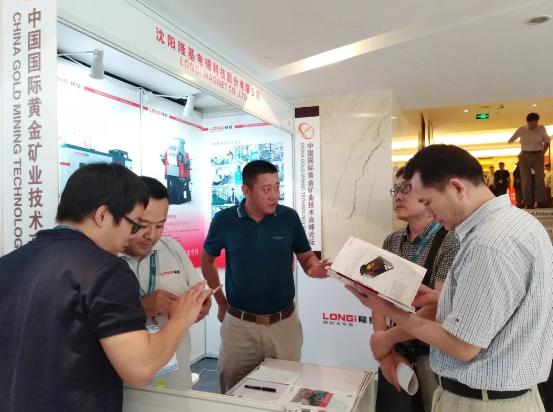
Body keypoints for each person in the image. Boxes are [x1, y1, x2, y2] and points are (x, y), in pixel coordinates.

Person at [348, 145, 553, 412]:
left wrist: (386, 309)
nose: (431, 213)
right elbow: (500, 306)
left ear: (456, 188)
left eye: (428, 202)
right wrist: (441, 297)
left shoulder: (487, 243)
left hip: (481, 403)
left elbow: (462, 346)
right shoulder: (519, 223)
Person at [0, 163, 211, 412]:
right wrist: (180, 318)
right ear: (102, 215)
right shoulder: (105, 270)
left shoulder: (8, 263)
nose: (132, 235)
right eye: (134, 224)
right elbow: (140, 368)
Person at [201, 159, 329, 393]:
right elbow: (206, 260)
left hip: (283, 326)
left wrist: (314, 268)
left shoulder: (288, 218)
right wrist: (220, 301)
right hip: (239, 326)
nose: (274, 195)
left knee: (285, 392)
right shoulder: (224, 220)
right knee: (233, 392)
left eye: (277, 187)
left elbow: (306, 257)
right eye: (266, 189)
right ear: (246, 190)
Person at [373, 168, 459, 412]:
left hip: (433, 355)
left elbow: (437, 307)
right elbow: (377, 293)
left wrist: (387, 339)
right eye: (396, 189)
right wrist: (383, 349)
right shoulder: (392, 241)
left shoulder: (450, 240)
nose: (398, 196)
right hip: (396, 352)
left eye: (406, 189)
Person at [121, 176, 211, 390]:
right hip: (125, 383)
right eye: (142, 225)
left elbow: (197, 292)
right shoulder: (103, 258)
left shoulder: (172, 248)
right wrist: (141, 308)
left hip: (176, 374)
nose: (151, 235)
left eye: (160, 225)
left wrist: (201, 305)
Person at [508, 112, 551, 208]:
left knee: (540, 178)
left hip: (538, 155)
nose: (533, 125)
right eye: (531, 123)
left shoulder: (542, 128)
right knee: (526, 180)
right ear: (527, 122)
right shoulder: (521, 129)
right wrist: (511, 140)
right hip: (524, 156)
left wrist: (542, 154)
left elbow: (547, 142)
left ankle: (541, 201)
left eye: (535, 123)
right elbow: (511, 139)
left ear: (537, 121)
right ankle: (528, 203)